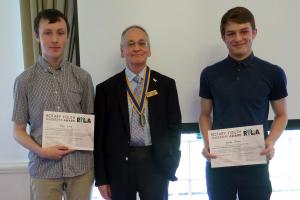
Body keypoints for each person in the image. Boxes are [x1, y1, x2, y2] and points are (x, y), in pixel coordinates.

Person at [199, 6, 288, 200]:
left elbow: (281, 115)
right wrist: (207, 143)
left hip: (256, 161)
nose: (238, 38)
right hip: (219, 162)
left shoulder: (273, 73)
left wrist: (271, 140)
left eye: (244, 31)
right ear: (224, 37)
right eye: (231, 33)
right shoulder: (209, 74)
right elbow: (205, 114)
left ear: (254, 33)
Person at [12, 9, 94, 200]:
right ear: (37, 37)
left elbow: (90, 122)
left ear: (66, 37)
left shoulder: (82, 77)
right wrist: (42, 151)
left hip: (80, 168)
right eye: (48, 33)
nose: (55, 39)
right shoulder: (24, 81)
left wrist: (75, 143)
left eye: (60, 32)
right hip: (43, 169)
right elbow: (18, 130)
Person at [94, 25, 182, 200]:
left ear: (149, 50)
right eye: (130, 44)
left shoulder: (166, 85)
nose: (136, 48)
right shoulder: (106, 89)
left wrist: (171, 161)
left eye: (142, 43)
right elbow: (99, 137)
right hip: (119, 167)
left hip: (155, 163)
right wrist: (101, 179)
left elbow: (175, 128)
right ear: (122, 51)